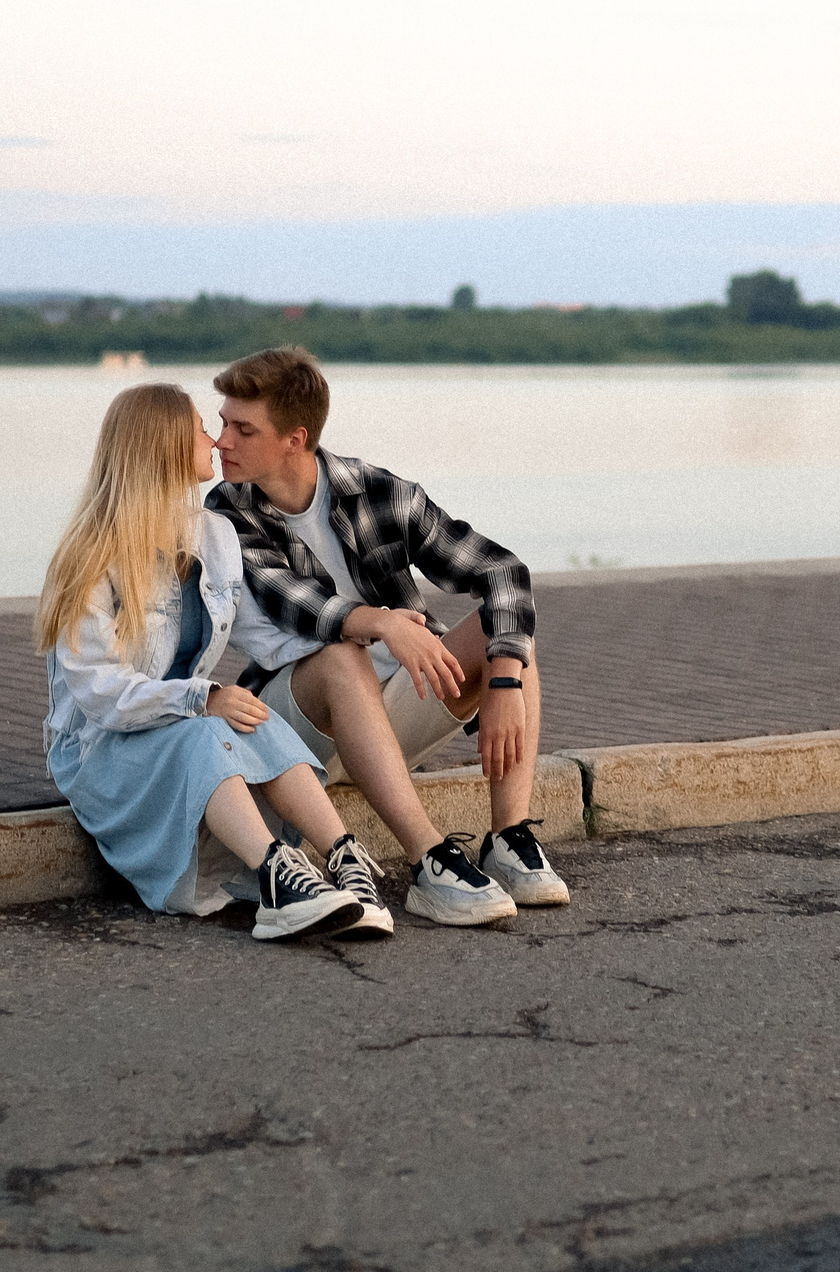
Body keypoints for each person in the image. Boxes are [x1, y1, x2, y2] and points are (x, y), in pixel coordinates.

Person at [206, 345, 571, 922]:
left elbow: (504, 572)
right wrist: (378, 622)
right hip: (297, 726)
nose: (220, 440)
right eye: (223, 422)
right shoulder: (227, 513)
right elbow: (296, 604)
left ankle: (508, 838)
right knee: (342, 657)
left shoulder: (380, 493)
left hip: (388, 715)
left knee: (508, 635)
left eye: (241, 428)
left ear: (294, 439)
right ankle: (429, 862)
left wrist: (502, 685)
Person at [36, 382, 399, 942]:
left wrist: (361, 636)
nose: (214, 439)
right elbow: (97, 690)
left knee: (255, 715)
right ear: (163, 445)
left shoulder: (214, 533)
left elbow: (267, 636)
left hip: (177, 726)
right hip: (100, 747)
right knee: (210, 728)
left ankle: (346, 862)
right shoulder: (91, 554)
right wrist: (201, 698)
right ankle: (278, 878)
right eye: (201, 428)